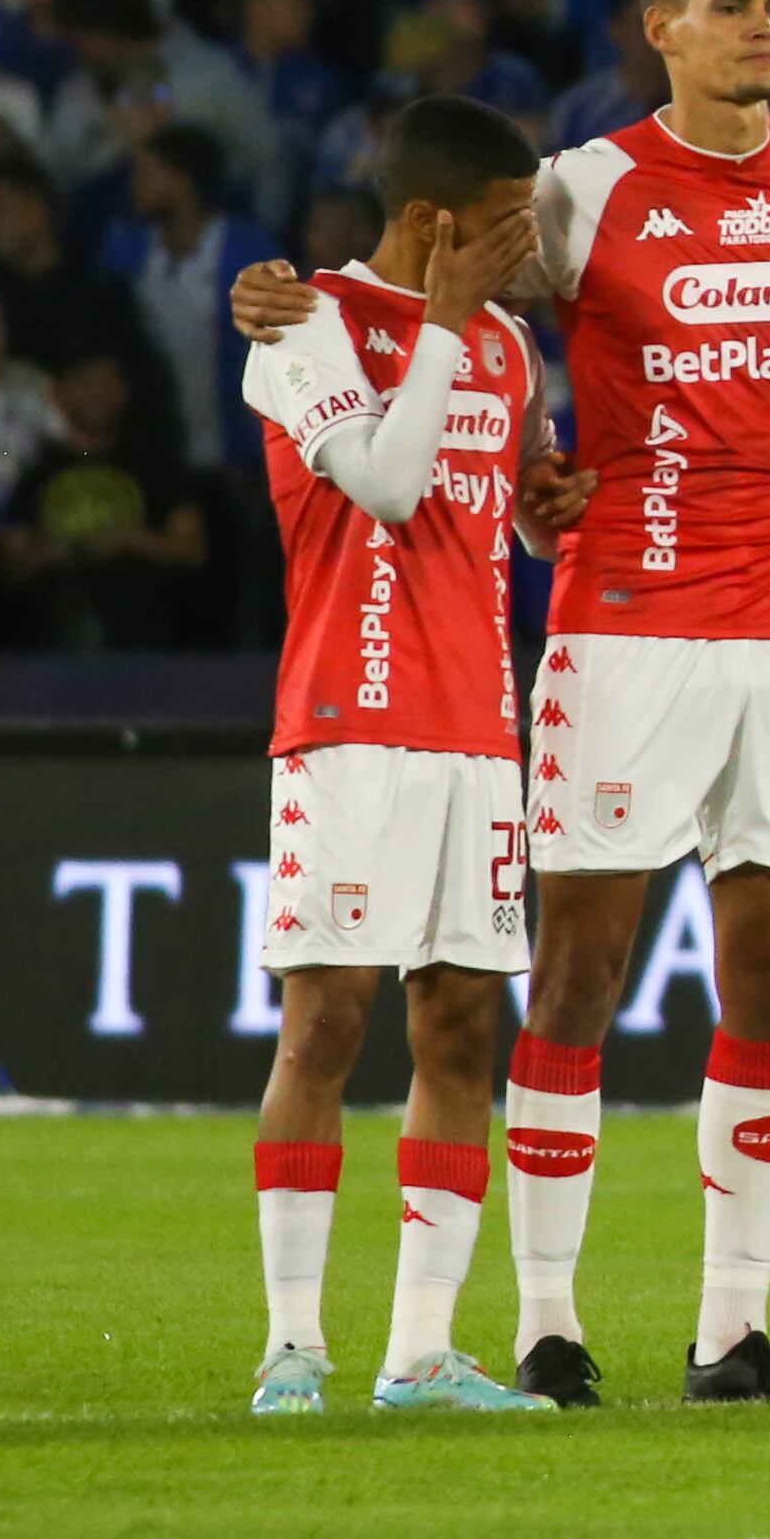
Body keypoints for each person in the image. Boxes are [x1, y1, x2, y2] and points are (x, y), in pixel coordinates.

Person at [236, 0, 770, 1409]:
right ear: (663, 26)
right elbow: (415, 301)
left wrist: (541, 485)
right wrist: (284, 297)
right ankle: (543, 1320)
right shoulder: (578, 190)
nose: (765, 30)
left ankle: (729, 1335)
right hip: (624, 625)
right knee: (574, 972)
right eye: (733, 6)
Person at [239, 95, 579, 1414]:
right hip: (350, 721)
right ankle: (291, 1345)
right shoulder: (304, 323)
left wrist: (553, 511)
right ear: (440, 224)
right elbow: (382, 483)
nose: (529, 249)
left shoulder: (504, 346)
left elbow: (508, 513)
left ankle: (420, 1353)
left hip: (478, 735)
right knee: (325, 1024)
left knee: (458, 1031)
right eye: (508, 226)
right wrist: (437, 330)